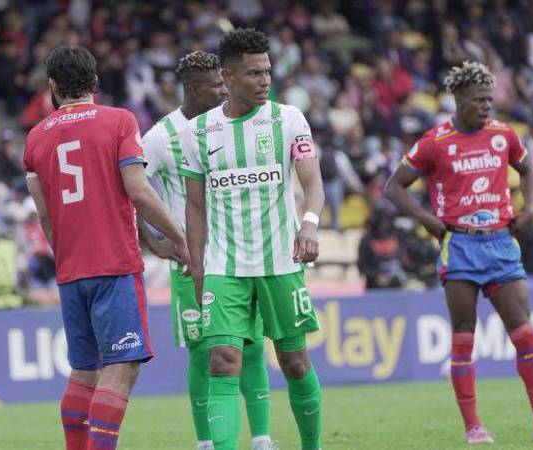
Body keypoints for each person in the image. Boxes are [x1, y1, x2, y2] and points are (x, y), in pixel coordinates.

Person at [383, 61, 533, 444]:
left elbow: (528, 170)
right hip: (460, 245)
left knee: (525, 334)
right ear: (458, 99)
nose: (486, 106)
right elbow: (393, 187)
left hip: (500, 242)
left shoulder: (503, 135)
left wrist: (532, 207)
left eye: (489, 99)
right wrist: (426, 219)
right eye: (479, 100)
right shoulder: (434, 142)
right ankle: (473, 427)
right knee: (463, 337)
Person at [22, 46, 188, 450]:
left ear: (53, 86)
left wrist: (72, 254)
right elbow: (137, 192)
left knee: (84, 371)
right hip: (114, 266)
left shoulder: (35, 138)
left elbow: (45, 215)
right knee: (122, 365)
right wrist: (179, 237)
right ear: (95, 82)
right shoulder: (119, 121)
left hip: (70, 269)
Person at [176, 29, 326, 450]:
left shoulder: (288, 119)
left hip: (280, 260)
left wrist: (309, 225)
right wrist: (198, 266)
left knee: (294, 363)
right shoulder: (198, 132)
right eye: (254, 73)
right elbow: (195, 207)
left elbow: (313, 183)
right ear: (228, 76)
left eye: (267, 71)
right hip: (224, 266)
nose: (265, 80)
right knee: (223, 362)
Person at [139, 51, 275, 450]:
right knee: (203, 352)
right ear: (194, 89)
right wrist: (153, 242)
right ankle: (206, 442)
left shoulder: (232, 124)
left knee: (252, 346)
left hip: (240, 256)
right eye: (218, 86)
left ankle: (262, 438)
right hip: (193, 262)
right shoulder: (161, 137)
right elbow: (128, 189)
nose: (225, 91)